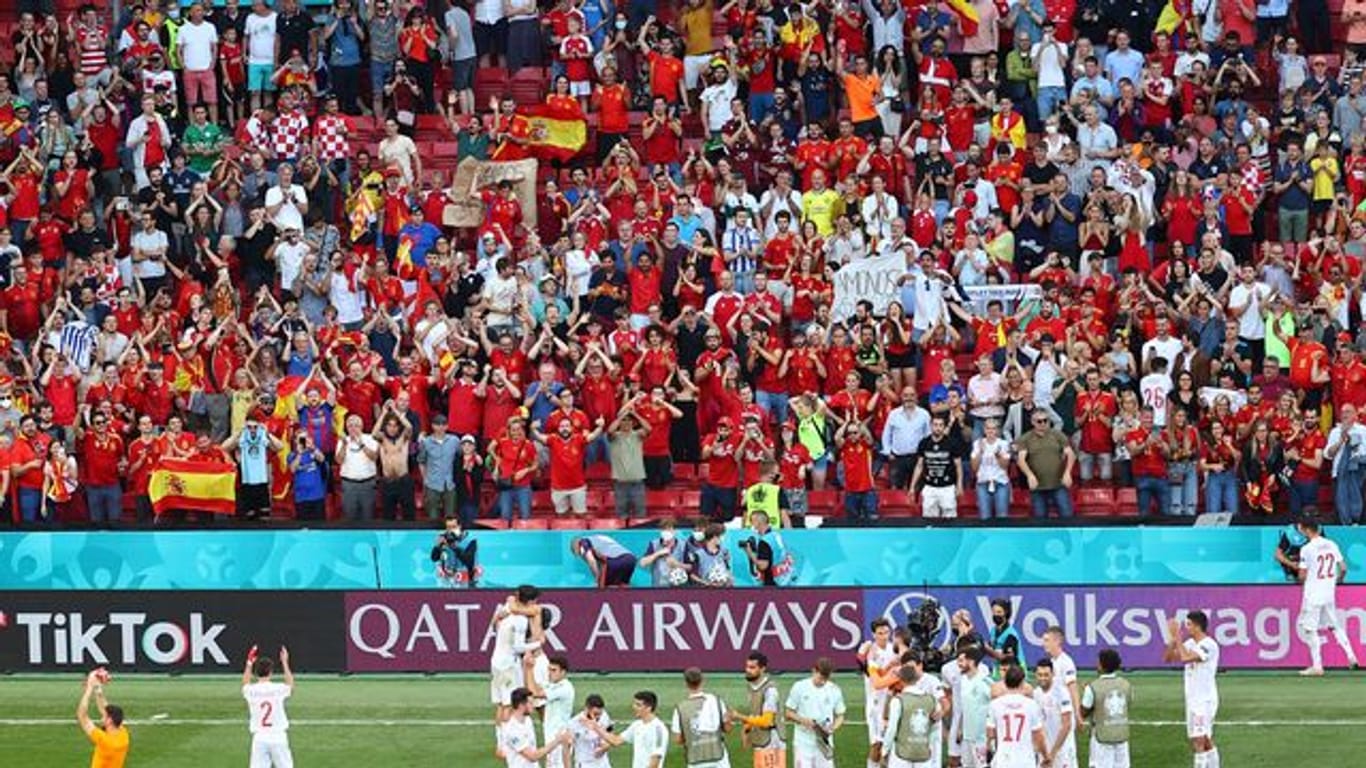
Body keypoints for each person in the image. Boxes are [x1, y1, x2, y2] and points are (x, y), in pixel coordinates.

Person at [1295, 519, 1360, 674]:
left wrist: (1300, 576)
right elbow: (1343, 568)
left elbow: (1302, 576)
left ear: (1306, 530)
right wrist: (1338, 580)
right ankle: (1352, 657)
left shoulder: (1307, 549)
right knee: (1335, 626)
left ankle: (1317, 666)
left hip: (1312, 594)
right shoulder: (1332, 544)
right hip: (1328, 593)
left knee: (1309, 628)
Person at [1163, 610, 1221, 768]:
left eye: (1189, 625)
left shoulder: (1209, 645)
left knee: (1199, 740)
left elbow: (1186, 658)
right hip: (1193, 699)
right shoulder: (1189, 644)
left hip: (1204, 700)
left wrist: (1178, 637)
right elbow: (1168, 658)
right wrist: (1173, 640)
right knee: (1205, 740)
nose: (1186, 628)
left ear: (1197, 626)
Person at [581, 690, 670, 768]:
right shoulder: (637, 725)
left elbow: (655, 763)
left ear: (649, 708)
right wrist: (596, 727)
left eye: (638, 705)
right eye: (634, 704)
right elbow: (616, 741)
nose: (634, 707)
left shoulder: (659, 730)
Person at [785, 657, 846, 768]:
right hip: (803, 742)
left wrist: (833, 728)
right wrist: (803, 721)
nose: (823, 681)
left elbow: (840, 715)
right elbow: (788, 713)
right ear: (814, 671)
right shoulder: (799, 687)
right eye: (821, 677)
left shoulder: (834, 690)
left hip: (824, 743)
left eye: (826, 678)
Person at [1015, 409, 1076, 518]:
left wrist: (1067, 473)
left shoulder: (1058, 435)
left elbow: (1070, 454)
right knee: (1040, 520)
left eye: (1046, 420)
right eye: (1039, 421)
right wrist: (1030, 476)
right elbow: (1021, 460)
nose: (1043, 423)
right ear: (1033, 422)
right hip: (1038, 486)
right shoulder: (1026, 438)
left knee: (1067, 516)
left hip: (1058, 484)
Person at [879, 663, 942, 768]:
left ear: (900, 680)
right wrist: (929, 746)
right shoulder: (932, 700)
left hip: (901, 755)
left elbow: (892, 728)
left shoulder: (898, 700)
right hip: (923, 753)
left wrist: (884, 751)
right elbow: (935, 727)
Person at [242, 645, 294, 768]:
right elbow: (290, 685)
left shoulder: (251, 691)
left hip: (260, 737)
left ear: (256, 673)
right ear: (271, 672)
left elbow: (245, 684)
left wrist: (249, 663)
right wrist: (285, 663)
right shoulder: (278, 688)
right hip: (278, 735)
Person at [728, 651, 785, 763]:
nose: (748, 670)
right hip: (760, 740)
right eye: (747, 666)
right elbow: (756, 713)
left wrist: (739, 716)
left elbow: (766, 721)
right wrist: (747, 728)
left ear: (762, 669)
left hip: (771, 742)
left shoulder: (770, 691)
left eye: (752, 667)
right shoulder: (751, 687)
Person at [985, 665, 1046, 768]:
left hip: (1003, 759)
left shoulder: (995, 704)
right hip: (1025, 760)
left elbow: (990, 734)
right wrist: (1046, 755)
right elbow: (1038, 735)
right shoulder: (1031, 704)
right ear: (1022, 682)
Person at [857, 618, 898, 768]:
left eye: (886, 632)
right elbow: (876, 678)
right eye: (880, 633)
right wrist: (890, 666)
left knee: (890, 745)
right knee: (877, 744)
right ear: (874, 634)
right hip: (875, 704)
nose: (884, 636)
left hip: (891, 702)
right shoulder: (871, 652)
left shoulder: (893, 649)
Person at [1080, 649, 1132, 768]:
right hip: (1121, 737)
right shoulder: (1126, 684)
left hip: (1101, 739)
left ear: (1102, 665)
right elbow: (1128, 704)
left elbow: (1083, 712)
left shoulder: (1093, 687)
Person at [671, 667, 731, 768]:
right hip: (718, 758)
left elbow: (678, 739)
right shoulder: (716, 701)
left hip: (695, 759)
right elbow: (728, 728)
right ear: (702, 680)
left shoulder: (680, 708)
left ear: (686, 683)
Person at [909, 413, 966, 518]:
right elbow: (919, 466)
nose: (938, 428)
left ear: (944, 427)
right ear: (931, 426)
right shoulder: (924, 443)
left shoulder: (952, 443)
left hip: (947, 487)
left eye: (940, 425)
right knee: (929, 520)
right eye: (935, 425)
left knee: (950, 520)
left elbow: (958, 466)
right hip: (930, 487)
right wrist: (912, 486)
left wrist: (959, 485)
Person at [525, 655, 575, 768]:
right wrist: (528, 670)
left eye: (554, 670)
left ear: (563, 672)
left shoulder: (565, 688)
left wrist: (529, 669)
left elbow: (534, 693)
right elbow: (531, 688)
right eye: (549, 669)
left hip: (559, 738)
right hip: (552, 738)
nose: (550, 673)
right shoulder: (552, 685)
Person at [502, 687, 573, 768]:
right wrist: (557, 740)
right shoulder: (512, 730)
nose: (533, 705)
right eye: (530, 703)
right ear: (521, 705)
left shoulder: (527, 721)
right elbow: (532, 756)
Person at [77, 668, 128, 768]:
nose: (101, 717)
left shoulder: (104, 740)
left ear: (110, 720)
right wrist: (98, 689)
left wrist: (89, 688)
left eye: (104, 716)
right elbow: (105, 708)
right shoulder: (123, 734)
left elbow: (82, 716)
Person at [1032, 658, 1076, 768]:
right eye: (1040, 675)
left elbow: (1067, 725)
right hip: (1044, 751)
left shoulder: (1061, 693)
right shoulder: (1035, 694)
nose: (1043, 678)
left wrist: (1053, 754)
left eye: (1046, 675)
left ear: (1053, 674)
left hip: (1061, 751)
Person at [335, 413, 379, 521]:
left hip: (367, 485)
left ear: (361, 427)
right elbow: (339, 460)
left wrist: (361, 444)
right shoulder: (343, 441)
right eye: (350, 426)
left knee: (368, 518)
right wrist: (345, 445)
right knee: (350, 519)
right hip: (349, 485)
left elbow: (374, 457)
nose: (353, 428)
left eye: (356, 425)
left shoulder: (370, 438)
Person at [955, 645, 993, 768]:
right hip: (967, 736)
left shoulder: (984, 682)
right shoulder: (964, 680)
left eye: (961, 660)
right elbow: (964, 707)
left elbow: (995, 707)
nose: (958, 664)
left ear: (971, 662)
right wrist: (960, 728)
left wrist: (990, 737)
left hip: (981, 737)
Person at [1041, 626, 1081, 733]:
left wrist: (1077, 713)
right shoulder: (1052, 662)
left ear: (1057, 641)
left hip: (1064, 713)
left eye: (1047, 640)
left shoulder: (1066, 662)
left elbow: (1073, 688)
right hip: (1052, 712)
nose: (1043, 644)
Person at [430, 515, 480, 587]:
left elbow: (468, 561)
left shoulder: (471, 540)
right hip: (448, 582)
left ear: (459, 526)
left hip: (465, 582)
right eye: (448, 527)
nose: (450, 530)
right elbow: (434, 558)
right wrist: (437, 546)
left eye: (453, 527)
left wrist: (453, 546)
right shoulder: (443, 538)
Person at [572, 534, 638, 588]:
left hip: (615, 560)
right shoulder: (598, 538)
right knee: (623, 585)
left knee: (604, 588)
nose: (581, 556)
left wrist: (597, 578)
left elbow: (592, 561)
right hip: (631, 559)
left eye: (579, 554)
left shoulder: (583, 542)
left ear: (576, 546)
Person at [986, 598, 1025, 669]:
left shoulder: (1011, 634)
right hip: (999, 671)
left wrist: (986, 648)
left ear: (1006, 613)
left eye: (999, 612)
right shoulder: (993, 631)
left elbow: (1006, 657)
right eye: (994, 612)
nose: (996, 615)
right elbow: (990, 647)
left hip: (1016, 672)